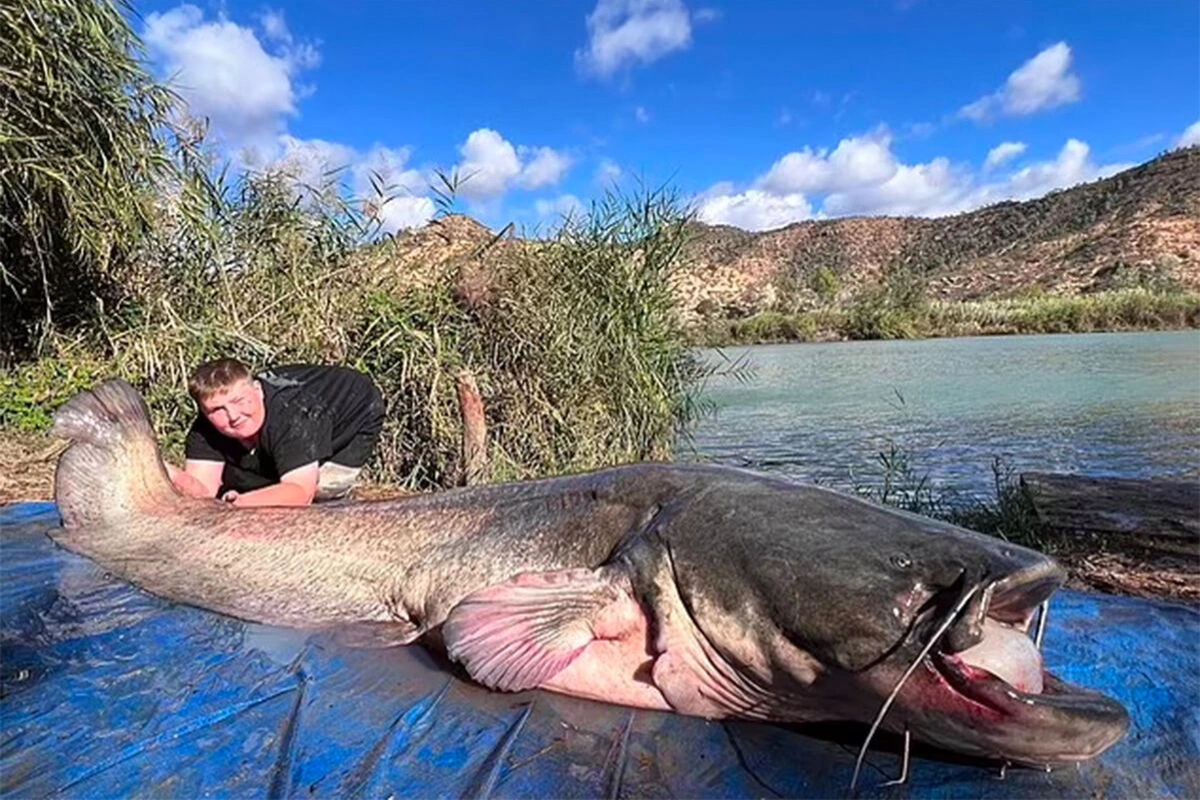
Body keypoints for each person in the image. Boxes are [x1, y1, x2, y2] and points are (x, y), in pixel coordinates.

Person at [166, 358, 385, 507]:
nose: (233, 415)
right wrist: (163, 469)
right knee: (247, 485)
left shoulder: (294, 415)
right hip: (291, 421)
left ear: (258, 391)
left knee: (322, 494)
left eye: (239, 401)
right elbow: (203, 490)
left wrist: (241, 503)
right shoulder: (204, 429)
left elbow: (301, 492)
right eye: (217, 410)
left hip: (354, 411)